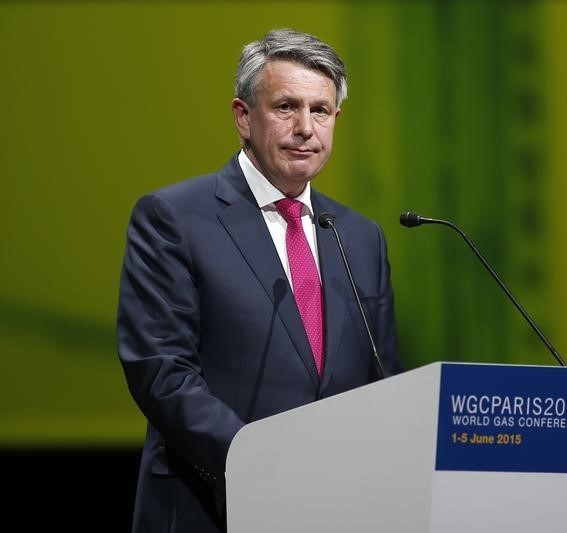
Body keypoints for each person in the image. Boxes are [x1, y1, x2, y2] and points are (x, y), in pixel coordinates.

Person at [117, 28, 403, 533]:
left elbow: (383, 381)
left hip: (337, 510)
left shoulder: (360, 237)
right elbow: (161, 372)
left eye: (320, 110)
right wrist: (261, 461)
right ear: (243, 117)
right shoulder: (175, 218)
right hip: (212, 503)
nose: (305, 128)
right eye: (286, 107)